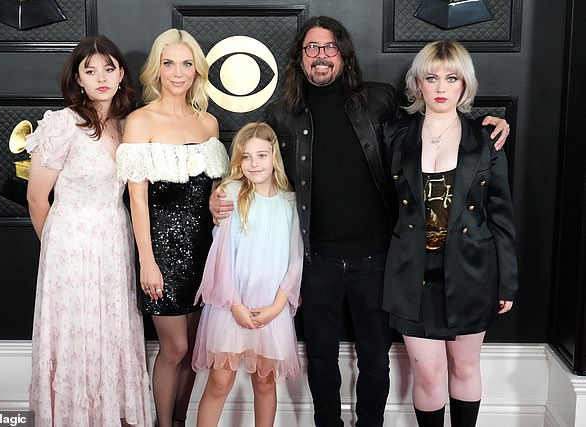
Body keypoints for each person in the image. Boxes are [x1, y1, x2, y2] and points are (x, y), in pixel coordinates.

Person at [210, 16, 511, 427]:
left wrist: (488, 124)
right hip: (318, 259)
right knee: (320, 356)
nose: (321, 55)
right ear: (300, 58)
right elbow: (258, 167)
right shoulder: (284, 116)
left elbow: (435, 125)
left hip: (378, 258)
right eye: (311, 48)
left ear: (344, 54)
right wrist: (219, 192)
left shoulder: (380, 101)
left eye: (330, 47)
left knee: (375, 358)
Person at [382, 39, 518, 427]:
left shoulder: (487, 138)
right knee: (426, 372)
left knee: (464, 367)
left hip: (473, 271)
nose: (441, 87)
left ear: (464, 85)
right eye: (432, 77)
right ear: (418, 84)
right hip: (410, 272)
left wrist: (507, 283)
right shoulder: (395, 135)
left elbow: (501, 214)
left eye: (451, 78)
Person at [26, 36, 151, 426]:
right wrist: (56, 253)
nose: (101, 77)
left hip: (113, 240)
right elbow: (36, 198)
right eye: (90, 70)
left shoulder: (129, 125)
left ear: (121, 75)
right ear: (78, 78)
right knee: (74, 331)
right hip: (69, 243)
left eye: (109, 68)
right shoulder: (64, 124)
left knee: (111, 328)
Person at [115, 29, 229, 427]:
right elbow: (137, 200)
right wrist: (147, 260)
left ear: (197, 69)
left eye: (185, 63)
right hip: (161, 250)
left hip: (204, 249)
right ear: (157, 70)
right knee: (175, 348)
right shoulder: (140, 121)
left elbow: (214, 192)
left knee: (195, 349)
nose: (178, 72)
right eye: (169, 63)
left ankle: (180, 421)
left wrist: (219, 201)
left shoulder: (209, 124)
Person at [192, 122, 304, 427]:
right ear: (238, 161)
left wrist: (278, 306)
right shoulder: (230, 192)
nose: (254, 164)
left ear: (274, 157)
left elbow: (295, 259)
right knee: (219, 382)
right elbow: (221, 257)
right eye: (246, 157)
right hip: (231, 306)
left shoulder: (290, 202)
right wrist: (235, 304)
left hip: (271, 309)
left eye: (262, 155)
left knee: (265, 384)